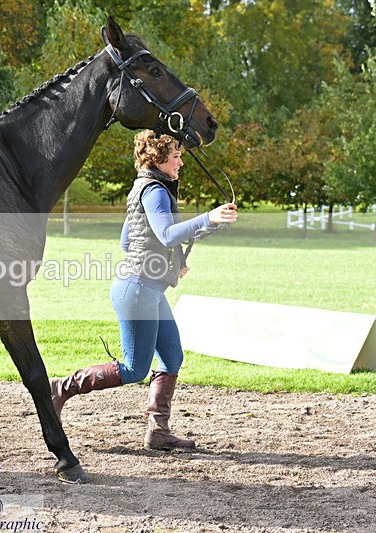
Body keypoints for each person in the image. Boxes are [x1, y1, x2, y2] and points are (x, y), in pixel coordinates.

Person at [50, 130, 237, 450]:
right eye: (175, 156)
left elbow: (130, 240)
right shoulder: (154, 191)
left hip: (147, 288)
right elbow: (165, 234)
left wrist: (174, 259)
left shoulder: (146, 188)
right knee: (134, 369)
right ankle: (61, 388)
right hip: (137, 289)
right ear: (158, 160)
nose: (181, 161)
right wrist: (207, 216)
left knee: (172, 357)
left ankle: (159, 431)